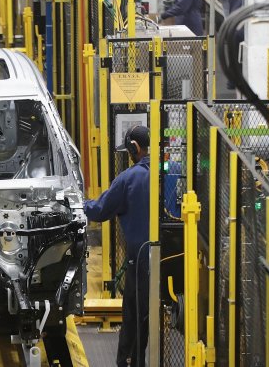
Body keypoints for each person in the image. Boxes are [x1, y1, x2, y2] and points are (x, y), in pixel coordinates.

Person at [84, 125, 151, 367]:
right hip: (172, 261)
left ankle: (131, 362)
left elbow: (100, 210)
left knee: (134, 317)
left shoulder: (129, 178)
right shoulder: (170, 172)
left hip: (141, 260)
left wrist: (79, 205)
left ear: (134, 148)